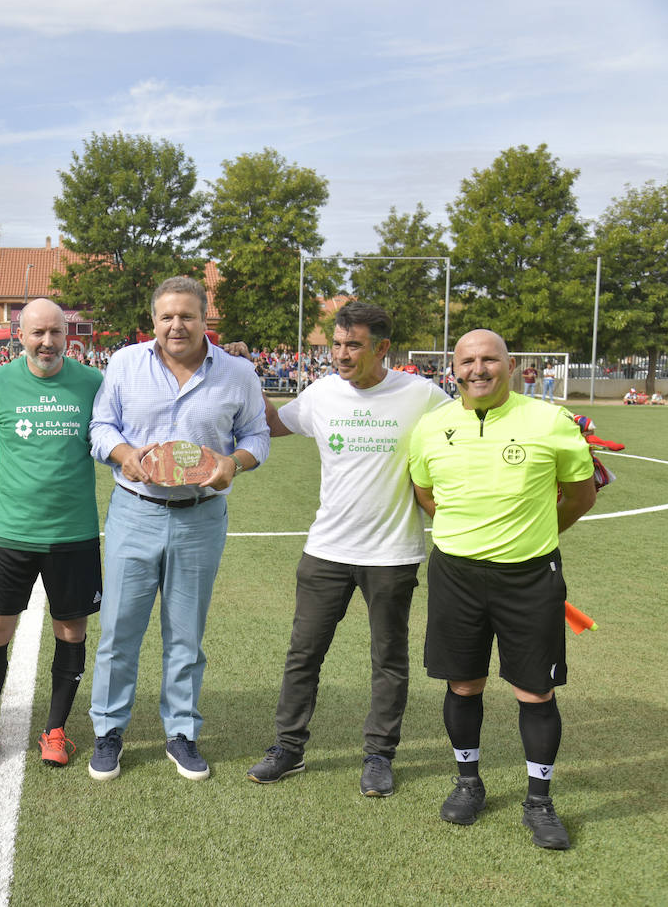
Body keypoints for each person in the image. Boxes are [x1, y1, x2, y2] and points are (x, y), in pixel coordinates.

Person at [244, 302, 450, 796]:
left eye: (352, 345)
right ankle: (288, 749)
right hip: (327, 550)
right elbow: (273, 423)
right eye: (336, 344)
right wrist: (243, 373)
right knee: (303, 654)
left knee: (388, 659)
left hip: (393, 553)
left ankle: (379, 755)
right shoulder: (321, 394)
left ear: (382, 349)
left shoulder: (422, 395)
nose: (340, 354)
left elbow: (467, 430)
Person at [408, 329, 595, 850]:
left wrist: (532, 534)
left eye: (490, 359)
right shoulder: (431, 427)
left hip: (530, 576)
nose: (478, 370)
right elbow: (426, 493)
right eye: (468, 361)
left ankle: (539, 800)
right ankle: (468, 782)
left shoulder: (549, 422)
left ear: (511, 366)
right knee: (463, 683)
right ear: (453, 368)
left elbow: (581, 497)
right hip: (456, 576)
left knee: (535, 691)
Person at [87, 276, 269, 781]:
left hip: (201, 516)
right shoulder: (125, 364)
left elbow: (257, 433)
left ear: (205, 319)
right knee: (119, 630)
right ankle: (108, 730)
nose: (176, 325)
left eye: (187, 316)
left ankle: (182, 732)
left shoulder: (237, 372)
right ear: (153, 321)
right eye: (167, 316)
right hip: (135, 510)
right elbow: (101, 427)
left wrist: (236, 462)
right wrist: (125, 455)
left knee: (186, 635)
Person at [0, 298, 104, 771]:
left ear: (67, 335)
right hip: (12, 532)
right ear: (19, 335)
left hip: (74, 533)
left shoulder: (92, 383)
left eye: (55, 333)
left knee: (71, 629)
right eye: (37, 333)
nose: (47, 342)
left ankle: (56, 730)